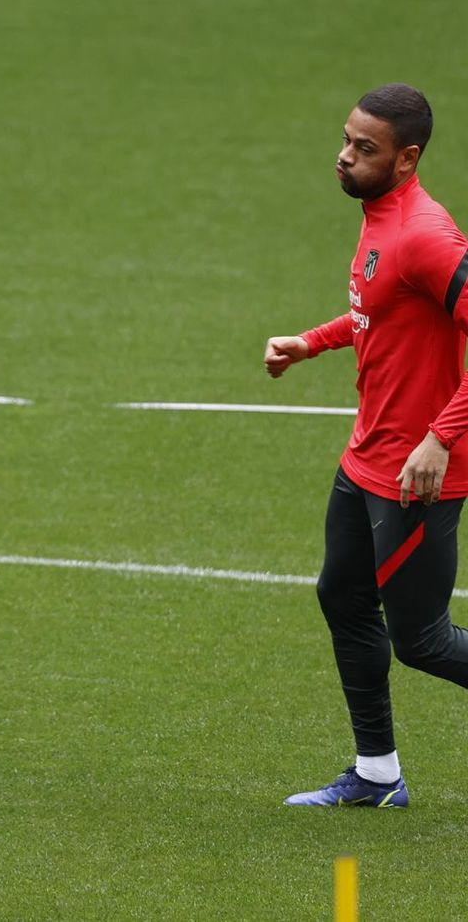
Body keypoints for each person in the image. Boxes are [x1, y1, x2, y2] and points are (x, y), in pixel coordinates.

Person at [266, 83, 468, 807]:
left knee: (424, 640)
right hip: (367, 456)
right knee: (343, 596)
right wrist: (310, 343)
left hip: (416, 474)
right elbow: (375, 310)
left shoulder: (427, 235)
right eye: (347, 141)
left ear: (408, 158)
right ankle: (377, 775)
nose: (344, 157)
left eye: (365, 149)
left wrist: (441, 437)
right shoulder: (380, 216)